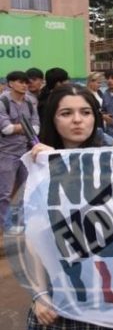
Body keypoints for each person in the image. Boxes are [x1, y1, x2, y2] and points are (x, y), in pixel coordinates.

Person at [19, 84, 113, 330]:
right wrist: (39, 292)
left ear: (96, 117)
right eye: (67, 113)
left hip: (104, 282)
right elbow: (32, 234)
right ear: (53, 119)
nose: (78, 120)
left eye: (86, 112)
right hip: (55, 283)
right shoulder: (39, 166)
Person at [0, 71, 39, 225]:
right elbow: (6, 129)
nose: (24, 85)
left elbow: (36, 129)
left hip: (26, 152)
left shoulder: (30, 101)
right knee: (5, 193)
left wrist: (18, 127)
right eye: (20, 82)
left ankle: (22, 224)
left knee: (25, 191)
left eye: (26, 82)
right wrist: (26, 127)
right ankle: (4, 227)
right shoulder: (2, 102)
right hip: (5, 153)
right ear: (10, 84)